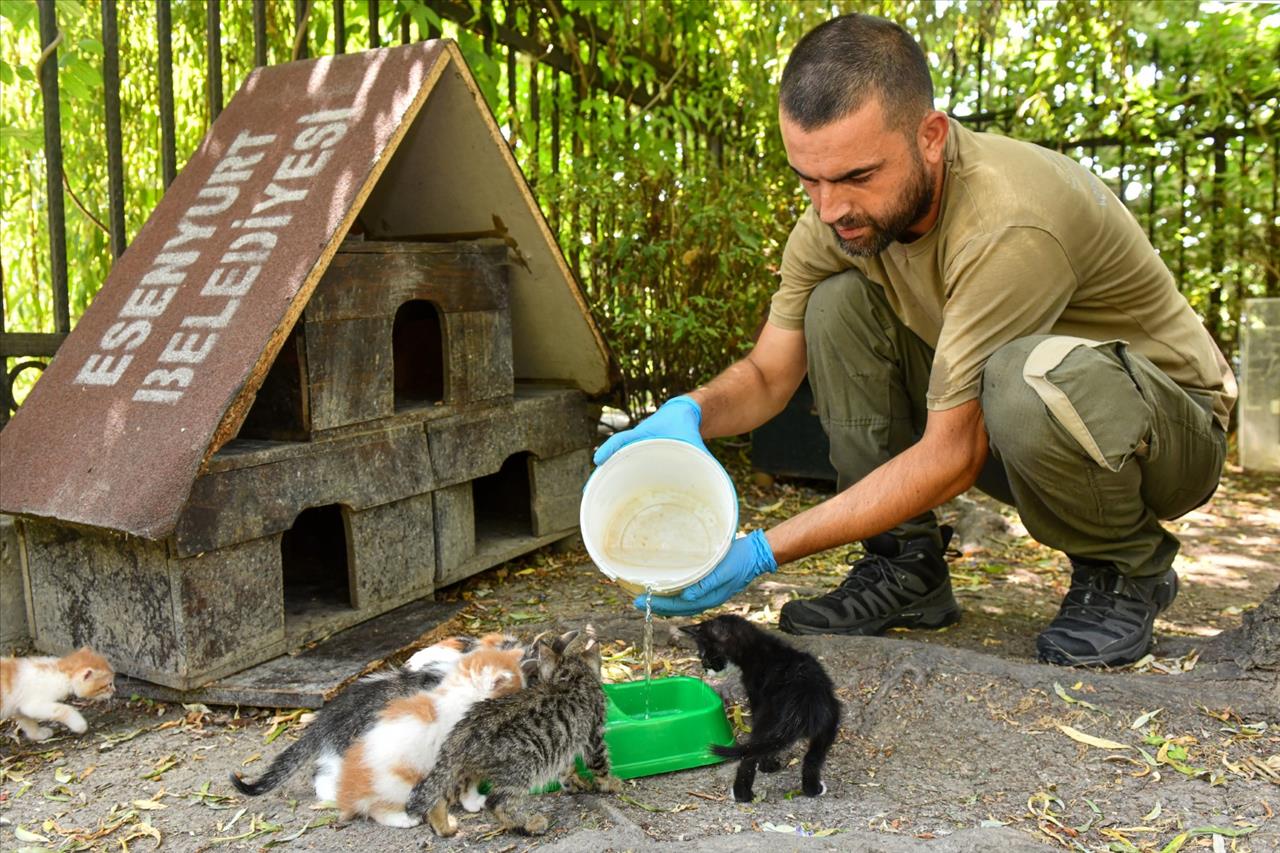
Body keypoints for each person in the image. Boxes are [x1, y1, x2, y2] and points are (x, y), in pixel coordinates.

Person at [592, 13, 1236, 668]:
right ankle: (906, 569)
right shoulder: (835, 217)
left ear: (930, 136)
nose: (829, 207)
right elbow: (767, 375)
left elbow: (951, 453)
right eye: (808, 179)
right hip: (1028, 422)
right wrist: (688, 414)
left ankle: (1127, 567)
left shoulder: (1007, 221)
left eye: (857, 176)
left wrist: (762, 550)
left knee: (1019, 375)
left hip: (1168, 437)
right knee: (836, 303)